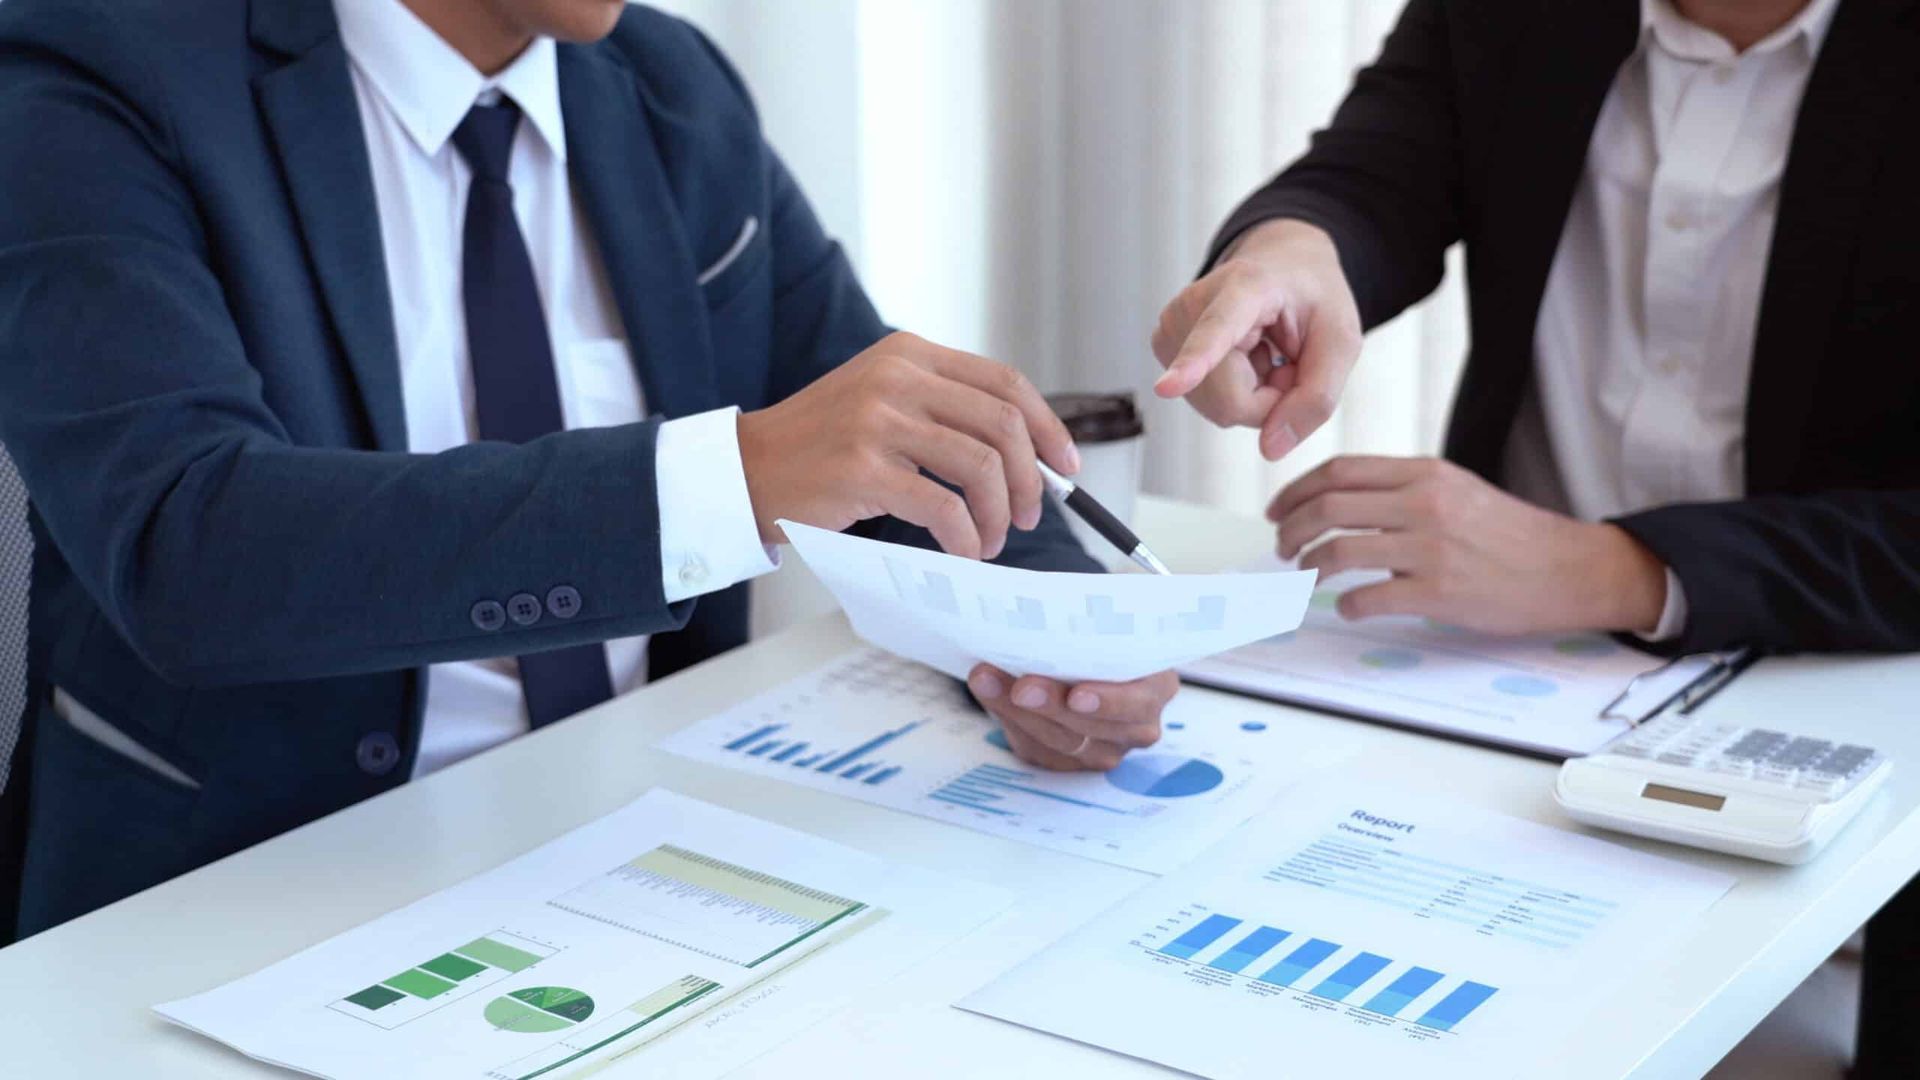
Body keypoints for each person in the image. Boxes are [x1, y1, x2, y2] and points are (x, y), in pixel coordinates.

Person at [0, 0, 1175, 940]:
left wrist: (1066, 642)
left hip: (643, 856)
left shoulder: (674, 91)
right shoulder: (100, 70)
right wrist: (728, 477)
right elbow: (188, 544)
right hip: (241, 899)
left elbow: (882, 439)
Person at [1149, 0, 1918, 1072]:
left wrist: (1605, 569)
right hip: (1513, 703)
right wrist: (1289, 257)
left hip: (1855, 682)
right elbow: (1376, 170)